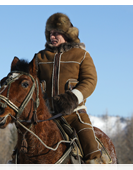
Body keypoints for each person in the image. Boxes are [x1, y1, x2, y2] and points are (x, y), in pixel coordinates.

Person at [34, 12, 109, 170]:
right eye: (50, 33)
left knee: (90, 147)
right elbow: (29, 83)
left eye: (56, 33)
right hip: (45, 116)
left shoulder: (81, 55)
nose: (52, 36)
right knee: (23, 145)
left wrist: (73, 98)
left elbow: (90, 80)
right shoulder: (40, 57)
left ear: (66, 34)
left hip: (74, 113)